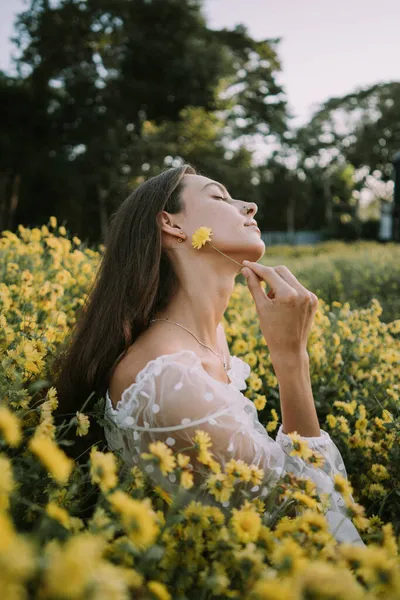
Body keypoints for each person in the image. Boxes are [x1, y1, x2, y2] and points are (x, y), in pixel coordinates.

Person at [53, 164, 365, 545]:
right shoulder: (168, 380)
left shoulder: (209, 338)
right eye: (219, 196)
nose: (249, 206)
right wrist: (291, 359)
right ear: (171, 225)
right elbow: (309, 514)